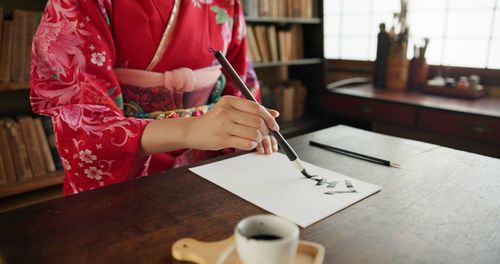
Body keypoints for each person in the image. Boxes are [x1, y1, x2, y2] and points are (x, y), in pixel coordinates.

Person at [30, 0, 279, 195]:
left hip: (212, 169)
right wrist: (190, 129)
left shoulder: (226, 2)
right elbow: (82, 121)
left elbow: (241, 82)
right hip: (128, 179)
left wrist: (248, 124)